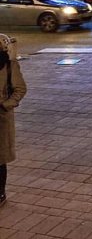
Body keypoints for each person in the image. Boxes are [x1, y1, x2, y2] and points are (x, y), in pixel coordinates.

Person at [0, 35, 27, 207]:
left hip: (1, 118)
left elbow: (20, 89)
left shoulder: (9, 66)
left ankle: (0, 193)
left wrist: (5, 105)